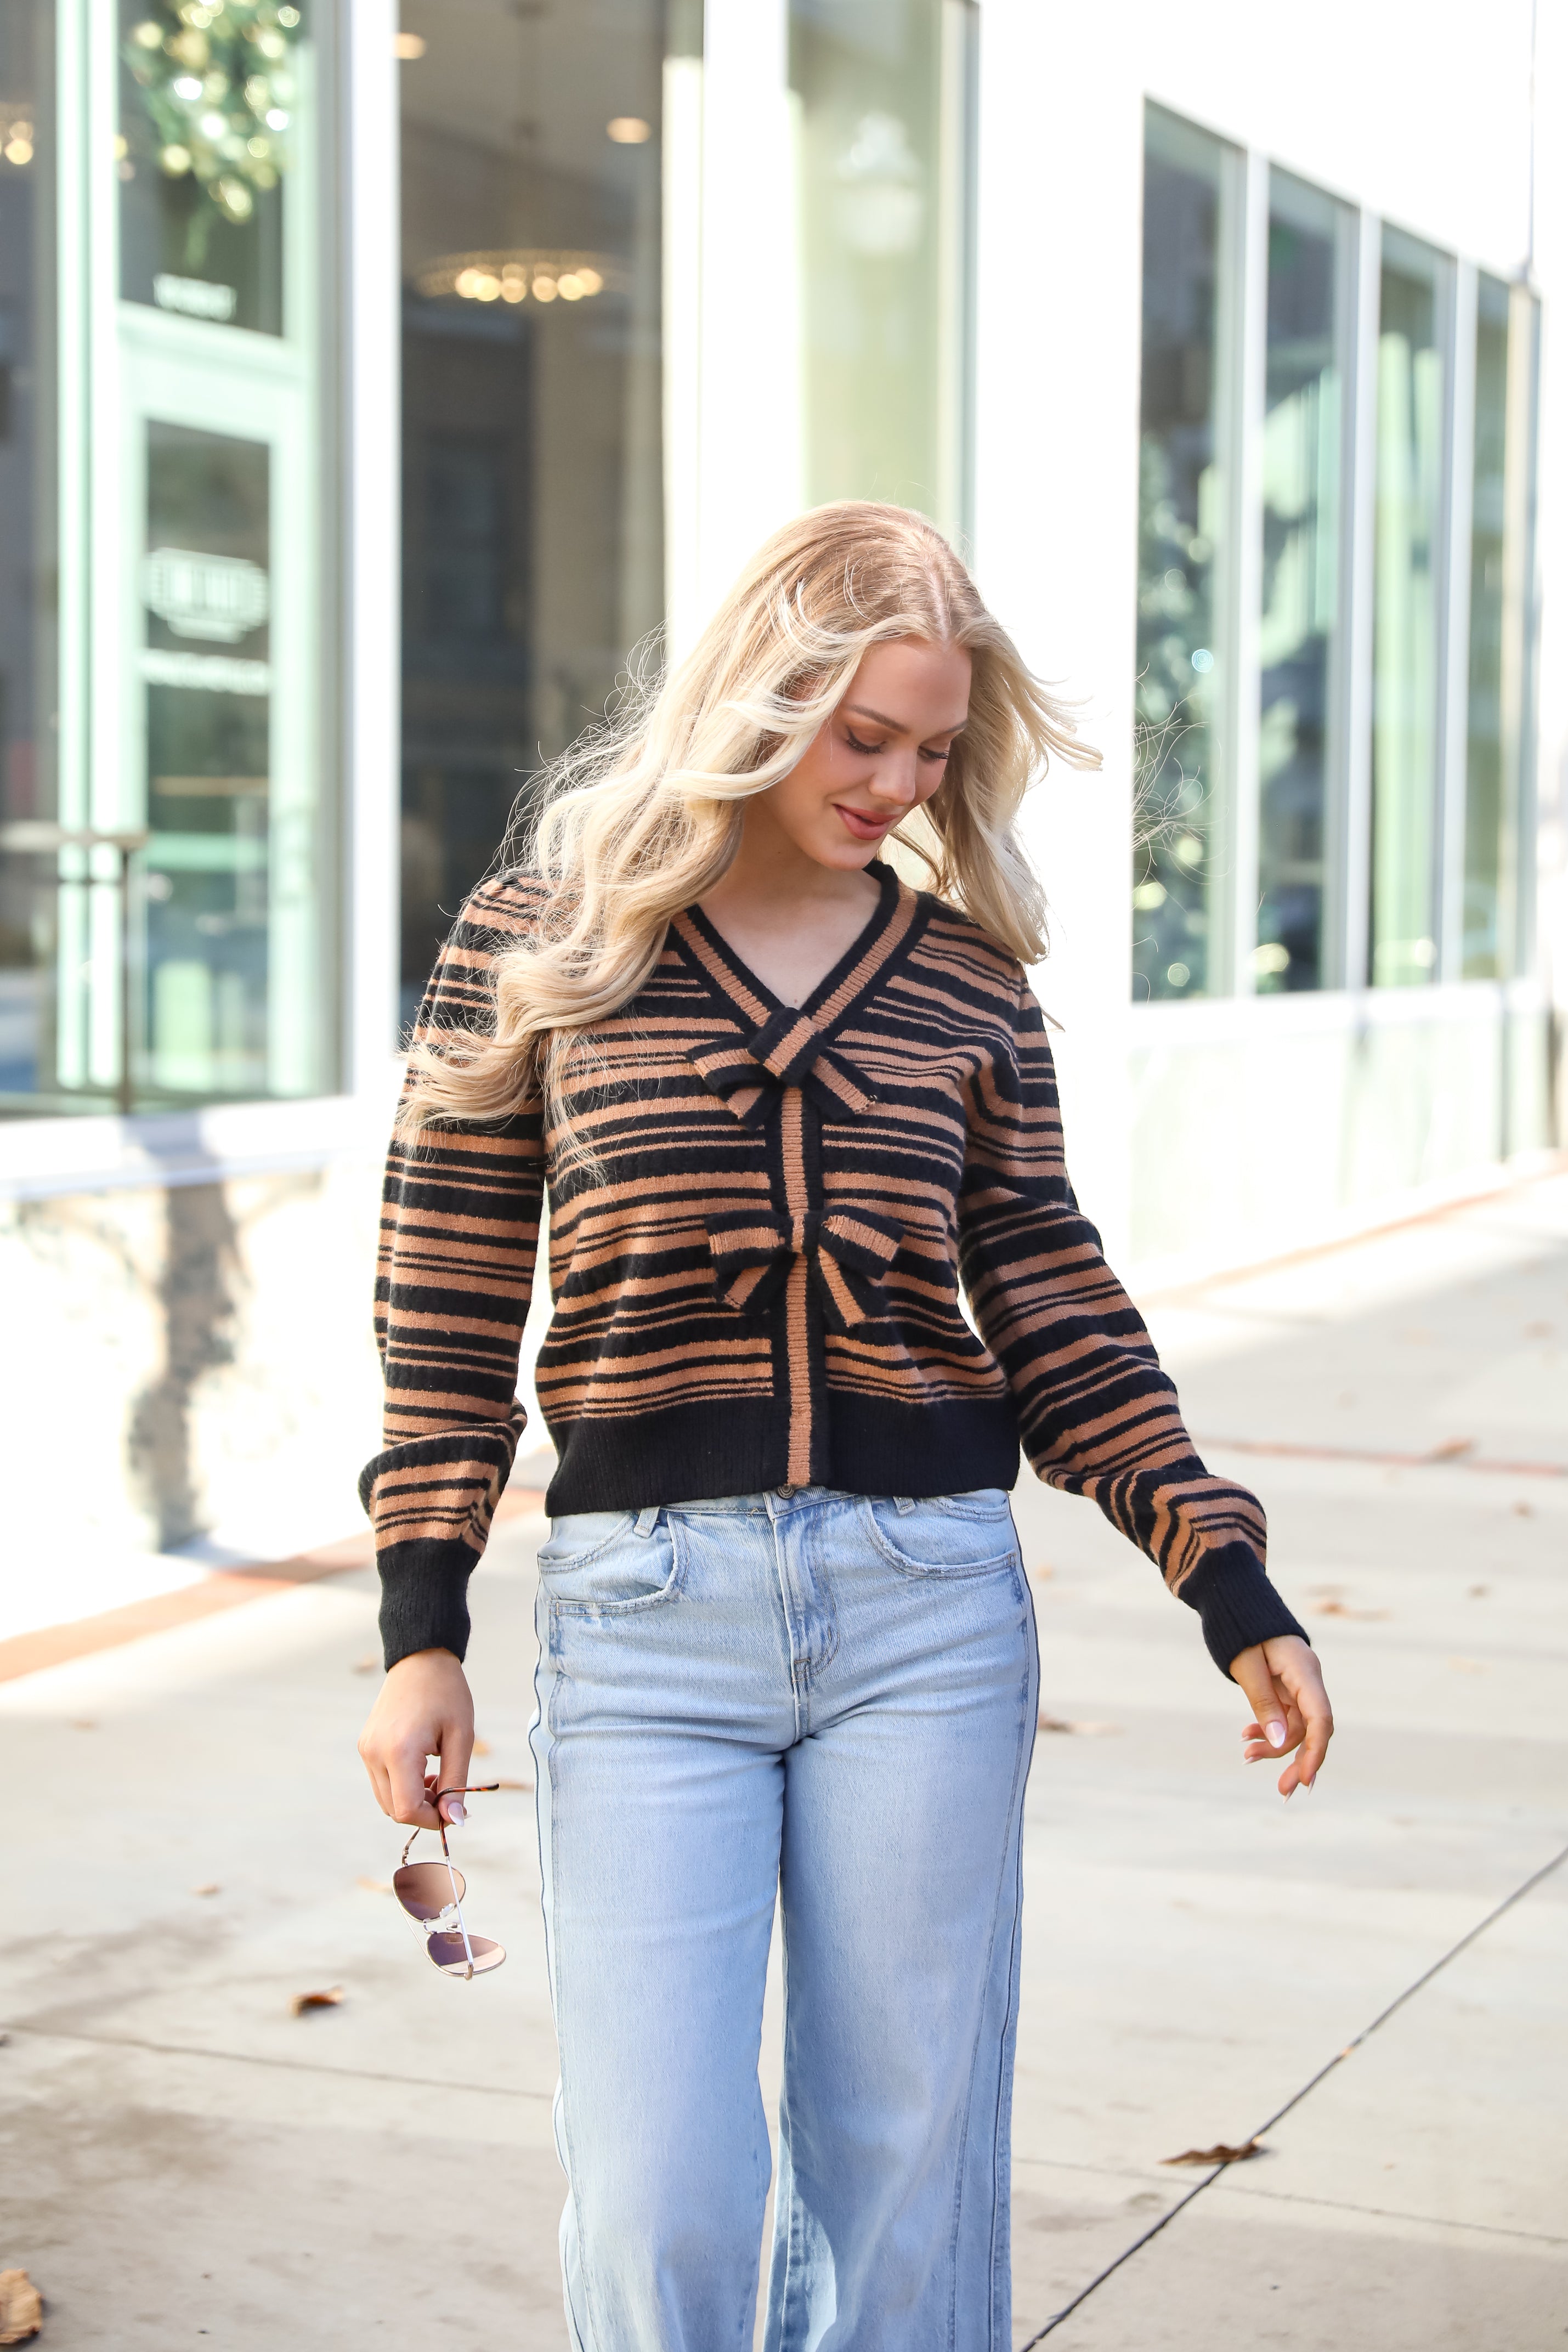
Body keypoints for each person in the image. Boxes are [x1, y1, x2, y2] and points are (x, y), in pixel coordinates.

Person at [356, 501, 1333, 2350]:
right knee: (664, 2191)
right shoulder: (543, 941)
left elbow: (1052, 1300)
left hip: (926, 1614)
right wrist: (420, 1630)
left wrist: (1225, 1574)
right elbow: (446, 1302)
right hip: (644, 1628)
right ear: (756, 698)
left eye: (934, 750)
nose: (895, 783)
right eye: (859, 735)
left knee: (903, 2179)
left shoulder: (963, 981)